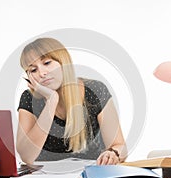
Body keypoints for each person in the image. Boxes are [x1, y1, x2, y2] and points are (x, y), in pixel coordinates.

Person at [16, 37, 127, 165]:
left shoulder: (95, 90)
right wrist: (51, 101)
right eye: (33, 70)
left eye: (47, 63)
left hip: (90, 176)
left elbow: (120, 145)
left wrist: (113, 153)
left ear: (64, 62)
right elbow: (26, 156)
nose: (42, 73)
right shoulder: (29, 98)